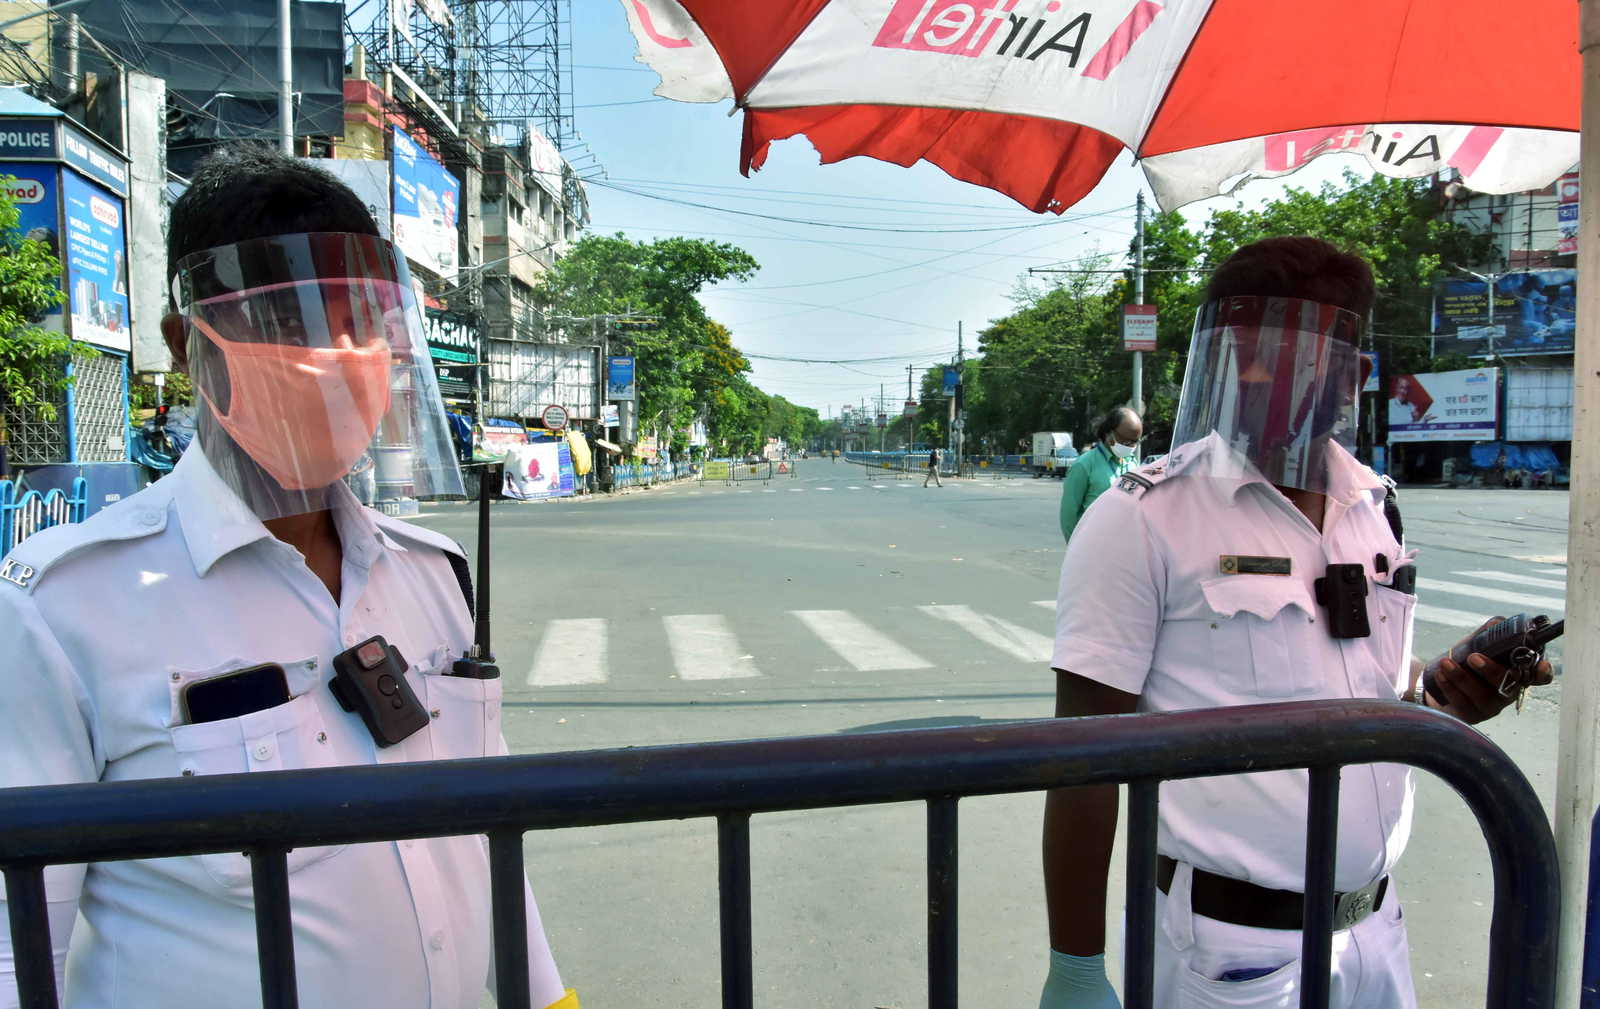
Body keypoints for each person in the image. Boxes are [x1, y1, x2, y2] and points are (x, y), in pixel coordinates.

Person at [0, 146, 577, 1009]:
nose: (340, 354)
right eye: (291, 323)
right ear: (188, 346)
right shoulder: (65, 610)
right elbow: (16, 946)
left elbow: (488, 833)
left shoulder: (431, 573)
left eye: (359, 322)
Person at [1037, 237, 1550, 1009]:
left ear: (1353, 376)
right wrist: (1076, 967)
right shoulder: (1140, 520)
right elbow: (1081, 760)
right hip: (1231, 952)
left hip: (1375, 932)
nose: (1255, 379)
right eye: (1241, 356)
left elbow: (1375, 687)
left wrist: (1444, 696)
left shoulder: (1376, 506)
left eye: (1285, 360)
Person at [1059, 407, 1141, 543]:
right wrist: (1076, 549)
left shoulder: (1132, 463)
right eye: (1126, 441)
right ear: (1110, 433)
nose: (1131, 446)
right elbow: (1069, 515)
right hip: (1093, 545)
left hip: (1125, 545)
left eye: (1135, 441)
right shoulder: (1084, 465)